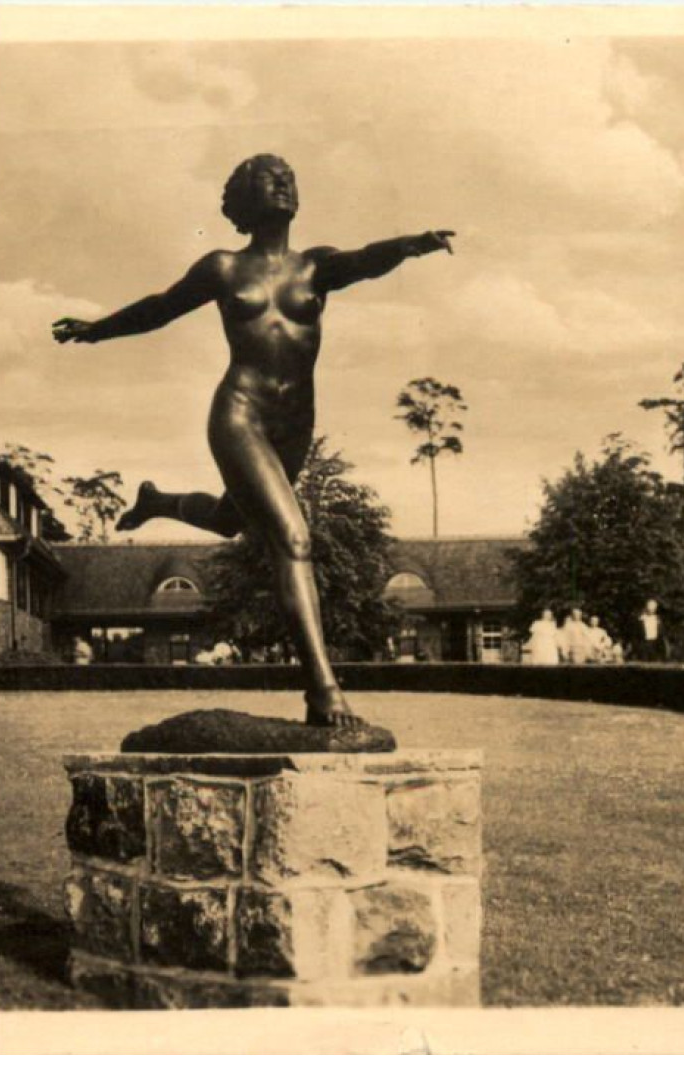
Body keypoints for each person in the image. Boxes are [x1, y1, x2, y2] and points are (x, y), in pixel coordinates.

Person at [54, 154, 454, 728]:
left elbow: (365, 260)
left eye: (290, 175)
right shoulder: (222, 268)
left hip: (295, 423)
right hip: (240, 414)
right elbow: (160, 308)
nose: (285, 182)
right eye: (270, 177)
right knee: (293, 538)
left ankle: (160, 502)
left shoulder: (315, 267)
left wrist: (411, 244)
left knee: (230, 521)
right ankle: (323, 692)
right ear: (244, 200)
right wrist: (96, 329)